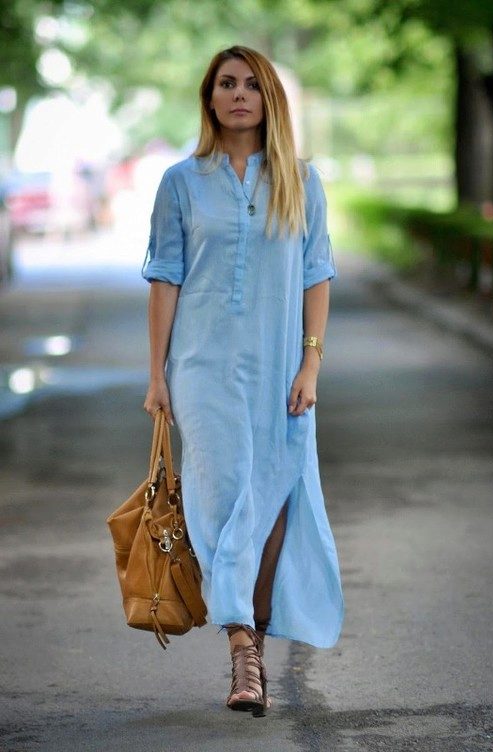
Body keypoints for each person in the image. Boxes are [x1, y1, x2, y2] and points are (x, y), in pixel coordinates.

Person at [142, 45, 344, 717]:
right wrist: (156, 374)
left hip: (280, 369)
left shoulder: (300, 182)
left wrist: (311, 363)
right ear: (209, 97)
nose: (238, 95)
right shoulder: (180, 182)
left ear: (269, 101)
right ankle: (241, 649)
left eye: (252, 85)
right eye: (226, 84)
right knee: (223, 497)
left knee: (272, 497)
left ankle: (250, 641)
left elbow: (316, 274)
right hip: (201, 368)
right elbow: (165, 278)